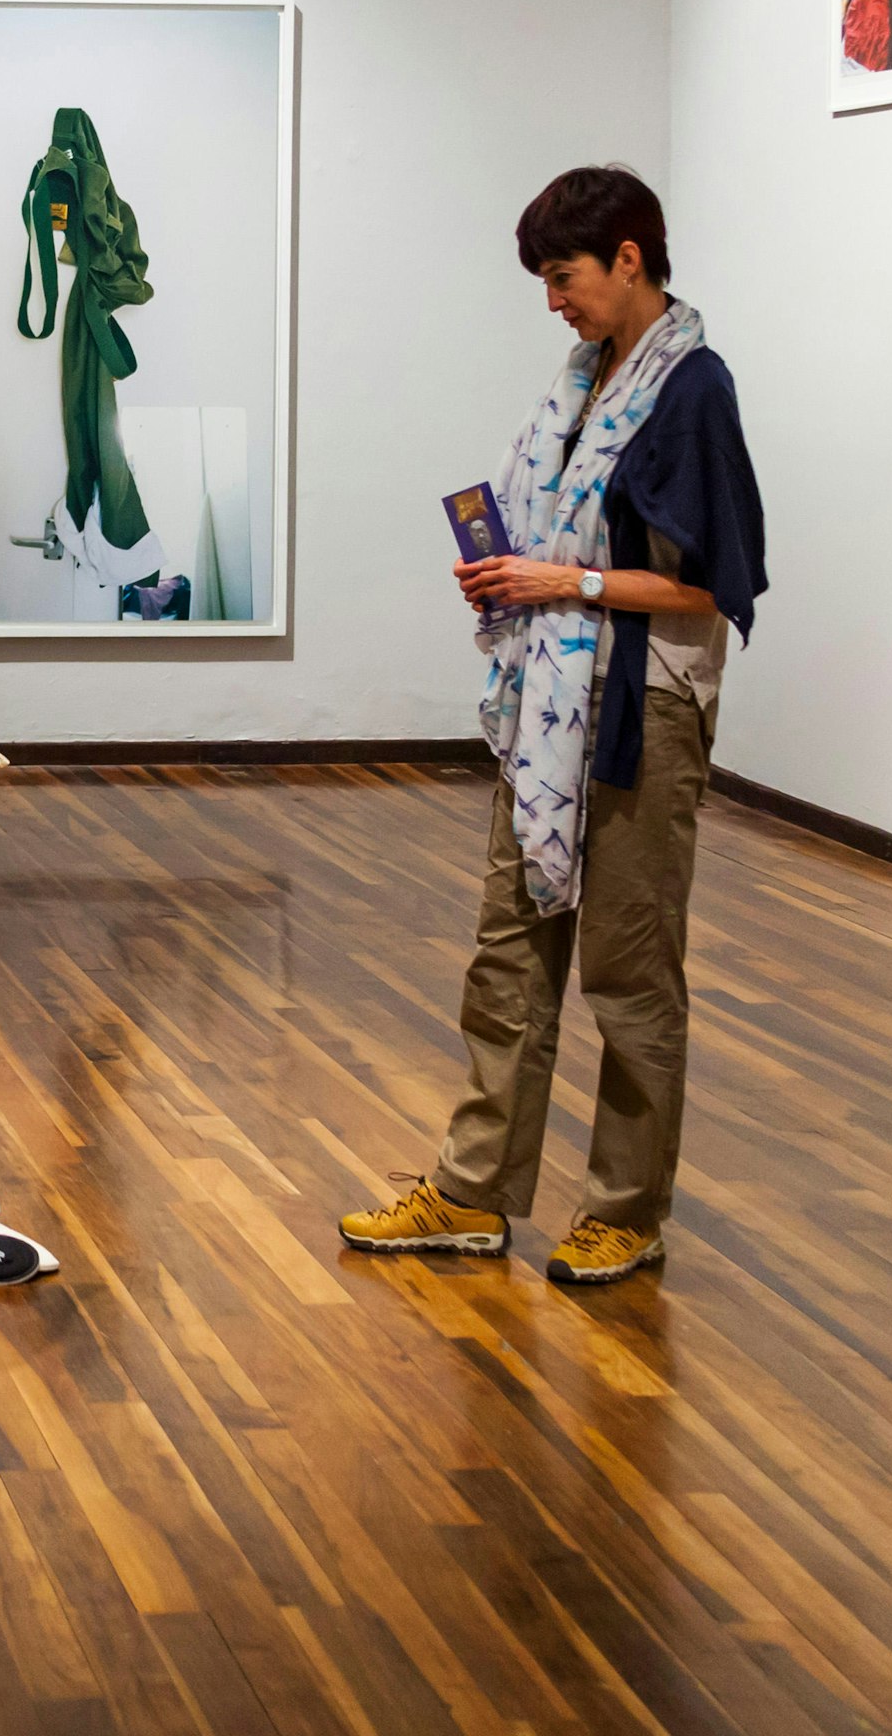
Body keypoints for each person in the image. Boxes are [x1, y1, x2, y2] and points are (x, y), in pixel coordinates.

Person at [339, 165, 766, 1285]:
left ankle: (626, 1208)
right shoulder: (582, 381)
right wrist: (513, 579)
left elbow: (710, 588)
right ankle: (472, 1195)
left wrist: (561, 584)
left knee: (627, 972)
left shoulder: (692, 390)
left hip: (640, 714)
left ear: (630, 257)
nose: (553, 302)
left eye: (564, 276)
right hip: (548, 715)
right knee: (510, 961)